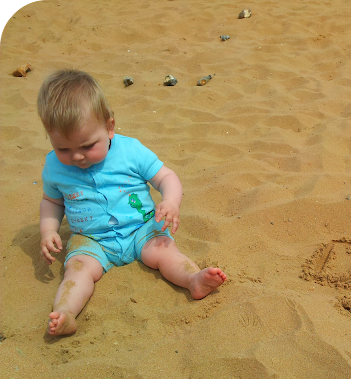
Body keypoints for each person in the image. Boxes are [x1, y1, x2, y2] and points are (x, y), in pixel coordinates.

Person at [37, 69, 227, 336]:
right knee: (77, 269)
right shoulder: (54, 167)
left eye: (87, 145)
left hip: (141, 228)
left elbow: (166, 177)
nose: (77, 157)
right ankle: (66, 312)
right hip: (91, 240)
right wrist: (49, 230)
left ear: (109, 127)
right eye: (63, 149)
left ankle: (193, 279)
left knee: (163, 252)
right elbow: (52, 201)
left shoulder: (131, 151)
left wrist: (171, 201)